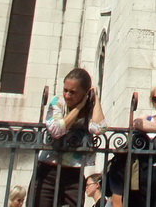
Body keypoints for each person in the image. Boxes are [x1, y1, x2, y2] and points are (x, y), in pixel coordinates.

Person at [33, 67, 107, 207]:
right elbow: (56, 130)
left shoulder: (90, 108)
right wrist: (78, 108)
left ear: (85, 93)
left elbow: (99, 128)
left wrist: (95, 98)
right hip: (48, 171)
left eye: (73, 92)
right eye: (65, 90)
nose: (67, 95)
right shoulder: (58, 102)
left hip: (73, 173)